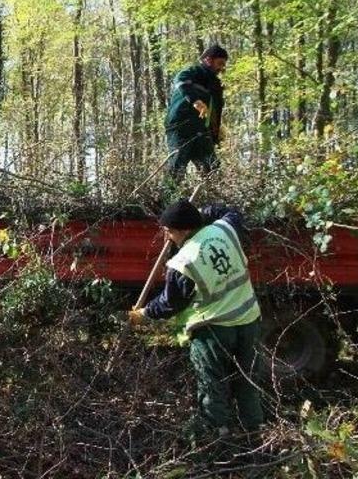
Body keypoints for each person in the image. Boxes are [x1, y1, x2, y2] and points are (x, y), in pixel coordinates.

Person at [129, 199, 263, 442]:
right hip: (248, 319)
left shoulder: (185, 261)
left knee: (213, 383)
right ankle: (253, 431)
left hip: (213, 331)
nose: (168, 237)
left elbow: (170, 303)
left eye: (169, 231)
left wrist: (145, 313)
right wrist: (202, 212)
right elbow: (231, 210)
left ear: (184, 230)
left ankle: (217, 433)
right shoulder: (225, 228)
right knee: (246, 377)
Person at [165, 45, 228, 182]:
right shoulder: (193, 71)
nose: (221, 68)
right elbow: (180, 80)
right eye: (219, 63)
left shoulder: (216, 85)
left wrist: (216, 131)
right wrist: (195, 101)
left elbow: (215, 110)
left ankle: (214, 202)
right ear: (208, 60)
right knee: (177, 167)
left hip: (202, 131)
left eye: (224, 64)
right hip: (181, 127)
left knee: (212, 169)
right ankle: (166, 201)